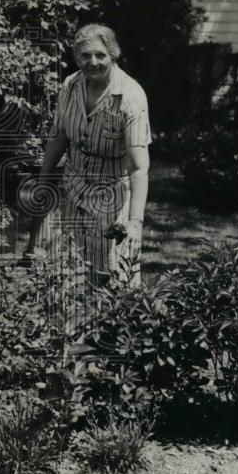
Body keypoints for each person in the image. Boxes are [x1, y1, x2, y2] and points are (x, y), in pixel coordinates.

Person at [25, 24, 151, 288]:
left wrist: (135, 222)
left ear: (113, 55)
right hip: (74, 186)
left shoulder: (130, 97)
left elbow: (139, 168)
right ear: (77, 57)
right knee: (69, 268)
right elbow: (58, 137)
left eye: (100, 55)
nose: (92, 62)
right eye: (85, 56)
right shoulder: (71, 86)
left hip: (111, 194)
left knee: (111, 273)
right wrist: (43, 184)